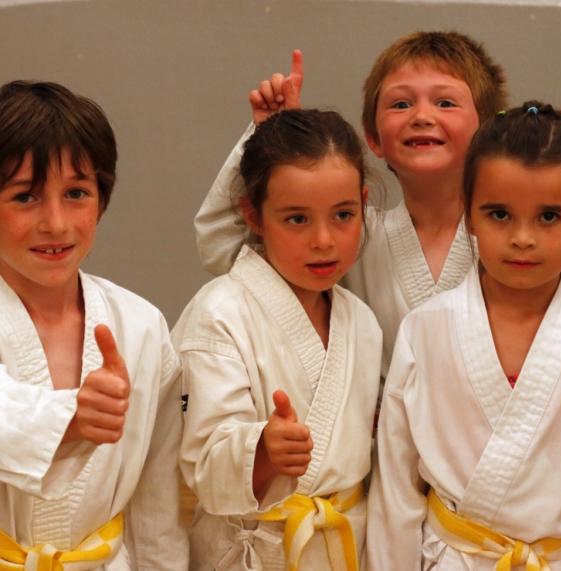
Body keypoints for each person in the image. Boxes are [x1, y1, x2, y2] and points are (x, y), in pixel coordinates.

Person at [193, 32, 561, 367]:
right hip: (381, 466)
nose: (422, 116)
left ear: (487, 131)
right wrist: (273, 140)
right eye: (401, 104)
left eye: (445, 102)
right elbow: (222, 247)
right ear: (373, 138)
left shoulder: (527, 234)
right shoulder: (347, 235)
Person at [367, 102, 561, 570]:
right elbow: (396, 486)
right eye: (500, 214)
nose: (523, 238)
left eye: (549, 217)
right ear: (469, 218)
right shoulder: (425, 329)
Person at [0, 81, 187, 570]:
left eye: (77, 193)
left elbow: (154, 504)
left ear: (102, 200)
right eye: (25, 198)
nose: (57, 223)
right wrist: (71, 420)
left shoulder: (142, 326)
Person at [174, 109, 383, 571]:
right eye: (296, 220)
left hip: (346, 544)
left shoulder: (362, 322)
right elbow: (205, 467)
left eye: (344, 215)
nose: (324, 240)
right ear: (253, 214)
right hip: (253, 552)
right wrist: (263, 451)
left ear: (364, 204)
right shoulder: (219, 314)